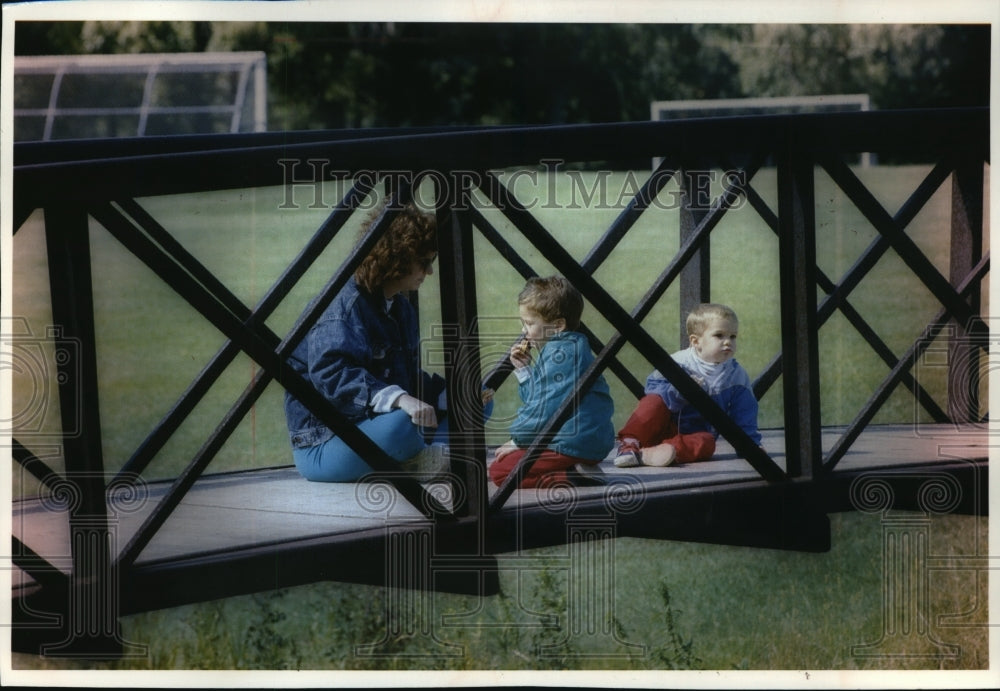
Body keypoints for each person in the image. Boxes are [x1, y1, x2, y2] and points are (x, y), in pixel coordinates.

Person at [284, 202, 468, 482]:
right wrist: (400, 398)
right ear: (398, 258)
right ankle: (419, 457)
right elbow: (331, 375)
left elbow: (406, 379)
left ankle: (418, 458)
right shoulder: (345, 306)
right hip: (325, 444)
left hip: (370, 430)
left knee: (474, 402)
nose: (429, 272)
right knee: (401, 423)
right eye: (424, 262)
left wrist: (450, 394)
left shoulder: (400, 307)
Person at [489, 276, 616, 489]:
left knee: (501, 472)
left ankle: (570, 477)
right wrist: (524, 372)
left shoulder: (561, 356)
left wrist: (518, 441)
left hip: (574, 443)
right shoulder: (563, 350)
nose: (524, 331)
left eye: (529, 323)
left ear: (557, 326)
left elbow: (542, 409)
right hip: (585, 440)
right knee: (507, 464)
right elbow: (540, 400)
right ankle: (576, 468)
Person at [614, 303, 761, 468]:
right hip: (663, 425)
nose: (728, 342)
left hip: (692, 434)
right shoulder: (678, 363)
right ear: (696, 341)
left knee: (707, 443)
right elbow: (652, 391)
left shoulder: (736, 374)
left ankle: (658, 452)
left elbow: (744, 411)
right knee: (653, 401)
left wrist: (749, 445)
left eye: (733, 336)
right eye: (719, 335)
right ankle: (630, 442)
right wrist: (678, 392)